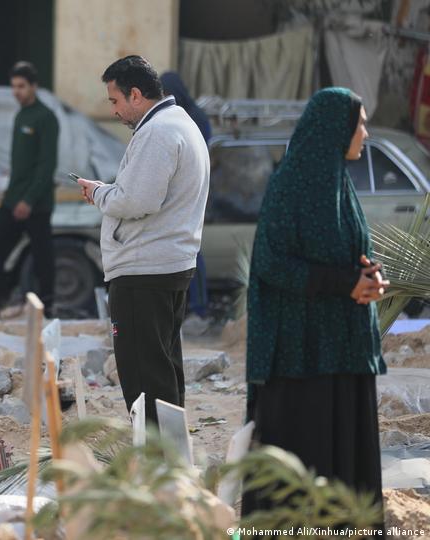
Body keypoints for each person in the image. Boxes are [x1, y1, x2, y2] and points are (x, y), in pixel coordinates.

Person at [242, 88, 387, 530]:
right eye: (360, 124)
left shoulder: (340, 183)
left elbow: (348, 252)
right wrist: (345, 283)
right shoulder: (290, 185)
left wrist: (369, 277)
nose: (364, 134)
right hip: (299, 355)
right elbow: (271, 263)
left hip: (342, 350)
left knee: (345, 457)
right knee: (303, 460)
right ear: (333, 128)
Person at [76, 56, 210, 426]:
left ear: (136, 95)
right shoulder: (178, 122)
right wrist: (109, 191)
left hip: (144, 270)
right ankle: (171, 452)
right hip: (165, 265)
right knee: (162, 369)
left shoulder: (158, 131)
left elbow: (137, 200)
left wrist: (99, 193)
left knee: (144, 376)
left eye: (115, 101)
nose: (114, 111)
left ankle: (157, 455)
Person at [0, 61, 58, 317]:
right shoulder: (21, 116)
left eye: (21, 86)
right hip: (13, 198)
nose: (17, 91)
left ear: (34, 86)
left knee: (41, 256)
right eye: (13, 86)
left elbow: (46, 165)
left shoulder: (45, 117)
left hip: (36, 203)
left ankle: (47, 305)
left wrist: (29, 199)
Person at [161, 71, 211, 319]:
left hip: (190, 192)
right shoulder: (177, 115)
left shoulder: (194, 117)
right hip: (178, 193)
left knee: (191, 250)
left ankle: (199, 308)